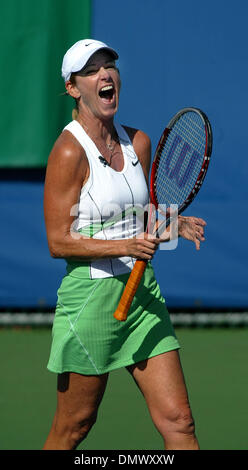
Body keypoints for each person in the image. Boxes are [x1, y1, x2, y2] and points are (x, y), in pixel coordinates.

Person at [43, 39, 206, 450]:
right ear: (73, 88)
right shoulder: (67, 151)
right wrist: (126, 247)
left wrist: (174, 225)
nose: (105, 74)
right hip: (91, 302)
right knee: (73, 428)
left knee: (180, 422)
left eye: (109, 65)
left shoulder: (139, 143)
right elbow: (59, 241)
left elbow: (142, 221)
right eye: (92, 69)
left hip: (142, 298)